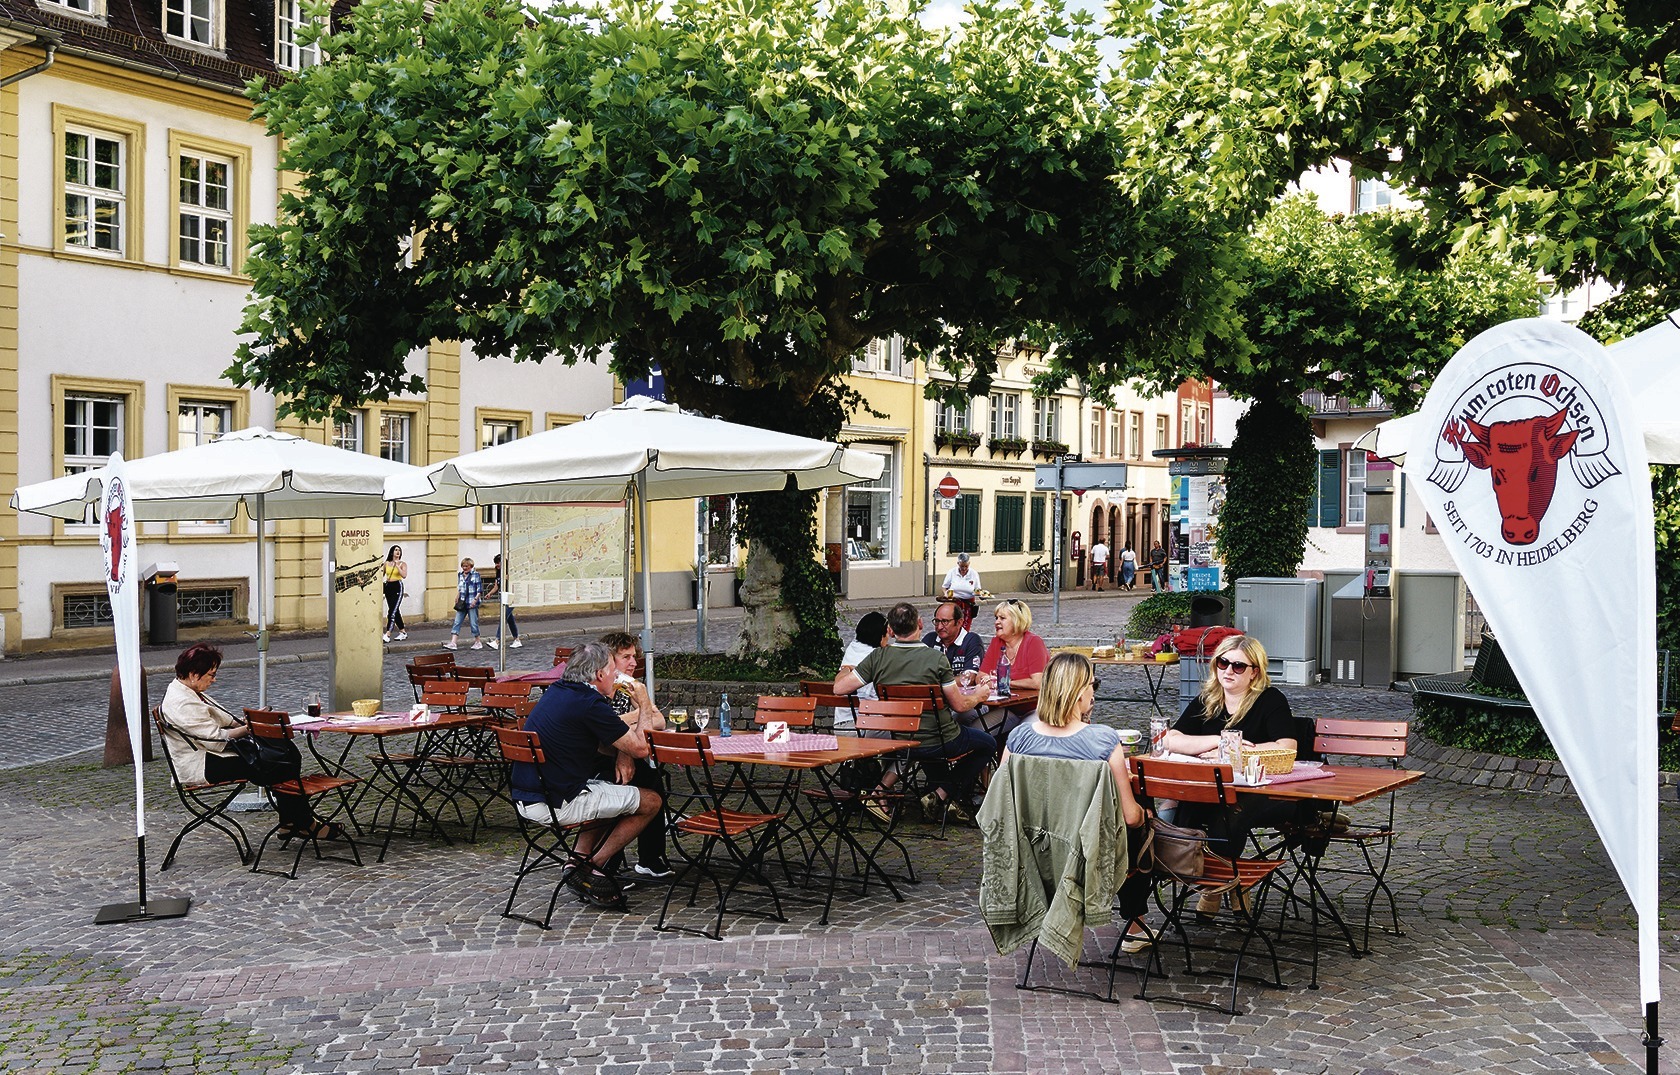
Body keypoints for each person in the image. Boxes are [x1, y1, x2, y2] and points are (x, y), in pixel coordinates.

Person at [1002, 652, 1153, 953]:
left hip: (1034, 851)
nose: (1094, 692)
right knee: (1144, 827)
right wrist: (1148, 814)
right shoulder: (1104, 741)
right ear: (1080, 691)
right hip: (1087, 854)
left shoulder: (1018, 738)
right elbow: (1130, 816)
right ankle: (1136, 924)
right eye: (1092, 685)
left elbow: (1000, 802)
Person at [510, 642, 663, 909]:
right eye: (614, 672)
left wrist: (622, 752)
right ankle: (594, 866)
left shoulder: (557, 692)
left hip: (528, 795)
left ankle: (576, 861)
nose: (617, 678)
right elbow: (641, 748)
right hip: (557, 802)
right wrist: (644, 700)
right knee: (651, 800)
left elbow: (604, 743)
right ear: (600, 675)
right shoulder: (589, 702)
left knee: (608, 788)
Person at [1160, 634, 1298, 914]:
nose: (1228, 671)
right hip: (1213, 788)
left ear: (1254, 672)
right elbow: (1170, 739)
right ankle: (1227, 883)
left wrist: (1238, 752)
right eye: (1223, 663)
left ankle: (1214, 886)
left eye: (1238, 666)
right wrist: (1217, 742)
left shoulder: (1269, 699)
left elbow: (1287, 746)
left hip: (1261, 791)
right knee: (1187, 803)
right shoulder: (1209, 698)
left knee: (1228, 810)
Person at [157, 643, 343, 841]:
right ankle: (305, 824)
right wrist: (249, 728)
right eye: (211, 674)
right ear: (194, 674)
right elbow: (214, 739)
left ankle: (291, 823)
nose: (214, 679)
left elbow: (223, 720)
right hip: (202, 764)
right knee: (281, 762)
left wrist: (250, 722)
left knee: (285, 755)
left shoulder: (185, 690)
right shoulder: (183, 701)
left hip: (210, 755)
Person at [833, 602, 995, 824]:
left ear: (891, 630)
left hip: (901, 737)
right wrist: (979, 695)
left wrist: (847, 669)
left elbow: (839, 689)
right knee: (988, 743)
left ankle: (921, 793)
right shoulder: (935, 659)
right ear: (920, 624)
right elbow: (959, 706)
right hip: (939, 737)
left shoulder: (877, 657)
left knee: (919, 745)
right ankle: (941, 794)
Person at [598, 630, 671, 879]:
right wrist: (635, 719)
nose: (633, 663)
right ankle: (608, 861)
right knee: (615, 783)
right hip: (592, 762)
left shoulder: (629, 687)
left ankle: (650, 857)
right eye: (626, 657)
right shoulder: (600, 686)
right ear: (608, 660)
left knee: (652, 779)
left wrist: (623, 736)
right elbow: (600, 734)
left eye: (634, 656)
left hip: (619, 752)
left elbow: (658, 719)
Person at [979, 599, 1052, 747]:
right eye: (996, 618)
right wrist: (985, 679)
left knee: (1020, 740)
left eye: (1002, 618)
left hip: (1034, 709)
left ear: (1017, 621)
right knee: (976, 730)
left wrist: (1004, 683)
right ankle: (979, 769)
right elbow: (980, 675)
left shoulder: (1033, 642)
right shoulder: (996, 643)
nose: (997, 622)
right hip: (1005, 708)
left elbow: (1038, 682)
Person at [837, 611, 889, 728]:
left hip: (841, 722)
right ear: (881, 635)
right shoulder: (876, 657)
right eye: (887, 633)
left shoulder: (853, 647)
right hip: (863, 723)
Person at [923, 601, 984, 677]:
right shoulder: (929, 639)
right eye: (937, 621)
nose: (939, 627)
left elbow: (969, 678)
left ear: (959, 622)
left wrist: (940, 684)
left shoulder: (971, 641)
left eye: (945, 621)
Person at [485, 553, 522, 650]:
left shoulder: (509, 572)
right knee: (510, 620)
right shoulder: (498, 573)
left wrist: (507, 577)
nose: (497, 565)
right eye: (496, 563)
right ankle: (517, 640)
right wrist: (490, 593)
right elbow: (496, 587)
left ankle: (497, 641)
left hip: (511, 598)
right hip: (504, 598)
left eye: (498, 563)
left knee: (503, 618)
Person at [446, 557, 483, 650]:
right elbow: (460, 588)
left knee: (473, 623)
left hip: (471, 602)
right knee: (457, 622)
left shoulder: (475, 575)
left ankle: (478, 642)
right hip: (462, 602)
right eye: (463, 566)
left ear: (470, 566)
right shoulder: (460, 575)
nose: (464, 568)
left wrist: (475, 600)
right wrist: (457, 596)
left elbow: (480, 589)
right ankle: (453, 642)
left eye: (466, 566)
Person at [940, 552, 983, 628]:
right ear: (958, 563)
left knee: (965, 626)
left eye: (966, 566)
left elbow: (977, 590)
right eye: (961, 566)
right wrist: (945, 594)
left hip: (968, 603)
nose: (964, 569)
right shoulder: (952, 572)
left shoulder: (974, 573)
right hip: (954, 602)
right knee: (953, 625)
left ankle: (963, 639)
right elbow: (944, 587)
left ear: (969, 563)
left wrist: (981, 595)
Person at [382, 545, 408, 643]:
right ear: (392, 552)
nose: (397, 552)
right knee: (395, 610)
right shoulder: (387, 563)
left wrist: (397, 566)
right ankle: (403, 632)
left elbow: (404, 575)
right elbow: (382, 575)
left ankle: (388, 633)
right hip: (389, 587)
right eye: (396, 550)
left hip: (398, 586)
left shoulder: (402, 563)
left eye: (399, 550)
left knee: (391, 612)